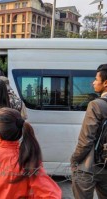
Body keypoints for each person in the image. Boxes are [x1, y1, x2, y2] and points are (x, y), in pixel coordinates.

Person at [71, 64, 107, 199]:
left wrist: (74, 159)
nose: (93, 82)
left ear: (105, 83)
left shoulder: (96, 105)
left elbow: (86, 139)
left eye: (96, 79)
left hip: (91, 165)